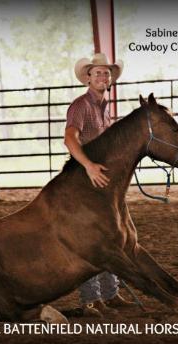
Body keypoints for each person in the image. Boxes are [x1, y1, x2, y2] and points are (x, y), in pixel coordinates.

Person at [64, 53, 135, 317]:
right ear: (88, 77)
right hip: (85, 180)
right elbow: (70, 139)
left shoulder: (105, 107)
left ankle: (110, 294)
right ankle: (90, 300)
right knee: (90, 241)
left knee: (109, 236)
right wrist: (89, 166)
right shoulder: (80, 106)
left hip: (103, 181)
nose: (103, 77)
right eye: (97, 73)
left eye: (106, 73)